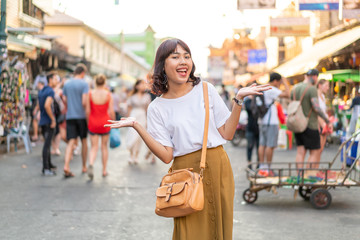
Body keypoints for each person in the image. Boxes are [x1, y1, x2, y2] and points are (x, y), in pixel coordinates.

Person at [105, 38, 270, 240]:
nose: (183, 61)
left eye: (187, 56)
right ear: (163, 65)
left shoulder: (206, 89)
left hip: (218, 165)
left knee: (220, 227)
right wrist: (138, 126)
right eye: (175, 57)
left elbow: (227, 133)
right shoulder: (157, 107)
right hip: (184, 174)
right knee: (189, 233)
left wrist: (238, 100)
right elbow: (167, 156)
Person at [291, 69, 332, 169]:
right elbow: (316, 107)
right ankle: (309, 177)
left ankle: (299, 178)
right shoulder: (312, 89)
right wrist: (327, 120)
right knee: (315, 152)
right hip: (310, 124)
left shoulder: (295, 88)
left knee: (300, 152)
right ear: (314, 77)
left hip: (297, 124)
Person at [257, 72, 290, 176]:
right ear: (275, 81)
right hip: (270, 121)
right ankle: (268, 169)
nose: (279, 84)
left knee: (262, 144)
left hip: (262, 120)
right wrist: (285, 83)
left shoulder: (263, 87)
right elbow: (287, 94)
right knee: (270, 145)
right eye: (279, 82)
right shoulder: (271, 88)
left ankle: (262, 167)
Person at [62, 63, 89, 178]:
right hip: (81, 116)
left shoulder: (67, 84)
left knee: (71, 141)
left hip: (70, 116)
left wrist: (70, 106)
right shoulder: (84, 84)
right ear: (82, 73)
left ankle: (66, 165)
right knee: (83, 141)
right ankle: (84, 166)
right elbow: (84, 102)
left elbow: (64, 99)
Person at [86, 74, 115, 180]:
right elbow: (111, 111)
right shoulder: (108, 95)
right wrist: (114, 122)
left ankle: (91, 163)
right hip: (105, 122)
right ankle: (104, 170)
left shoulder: (90, 94)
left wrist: (88, 122)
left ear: (95, 82)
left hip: (93, 122)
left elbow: (88, 110)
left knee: (94, 147)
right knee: (104, 147)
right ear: (104, 82)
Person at [37, 72, 58, 176]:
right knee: (47, 145)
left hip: (43, 120)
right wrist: (53, 119)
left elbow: (39, 105)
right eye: (55, 79)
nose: (57, 81)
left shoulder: (42, 90)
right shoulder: (50, 91)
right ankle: (46, 168)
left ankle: (48, 165)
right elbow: (46, 105)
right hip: (48, 121)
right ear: (50, 80)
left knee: (47, 144)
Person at [125, 79, 151, 164]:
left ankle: (136, 156)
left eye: (144, 84)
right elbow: (129, 108)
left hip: (142, 116)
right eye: (141, 84)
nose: (143, 86)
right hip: (133, 116)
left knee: (139, 137)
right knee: (132, 135)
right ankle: (131, 155)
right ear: (136, 86)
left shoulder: (147, 96)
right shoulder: (132, 96)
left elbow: (148, 109)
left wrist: (148, 120)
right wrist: (127, 119)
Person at [244, 95, 259, 169]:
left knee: (259, 147)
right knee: (250, 146)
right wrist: (254, 99)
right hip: (250, 127)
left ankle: (259, 164)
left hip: (259, 128)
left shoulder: (259, 100)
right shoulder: (248, 101)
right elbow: (250, 109)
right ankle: (249, 163)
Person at [317, 79, 330, 152]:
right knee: (317, 150)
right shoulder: (316, 96)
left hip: (324, 123)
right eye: (326, 85)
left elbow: (323, 111)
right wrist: (322, 123)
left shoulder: (323, 96)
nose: (328, 88)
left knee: (321, 149)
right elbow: (316, 111)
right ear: (320, 86)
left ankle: (317, 163)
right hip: (319, 124)